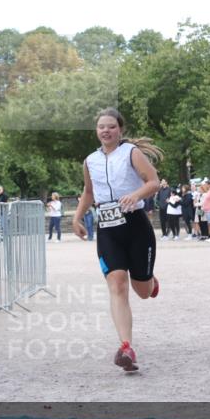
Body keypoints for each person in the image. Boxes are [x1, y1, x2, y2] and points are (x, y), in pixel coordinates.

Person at [71, 108, 161, 372]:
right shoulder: (90, 161)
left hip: (135, 225)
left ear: (119, 130)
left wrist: (135, 195)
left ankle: (150, 280)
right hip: (108, 228)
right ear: (96, 131)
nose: (106, 131)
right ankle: (126, 347)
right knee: (117, 284)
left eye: (111, 126)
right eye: (101, 127)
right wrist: (77, 218)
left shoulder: (131, 152)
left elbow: (153, 181)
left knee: (142, 292)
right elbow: (88, 192)